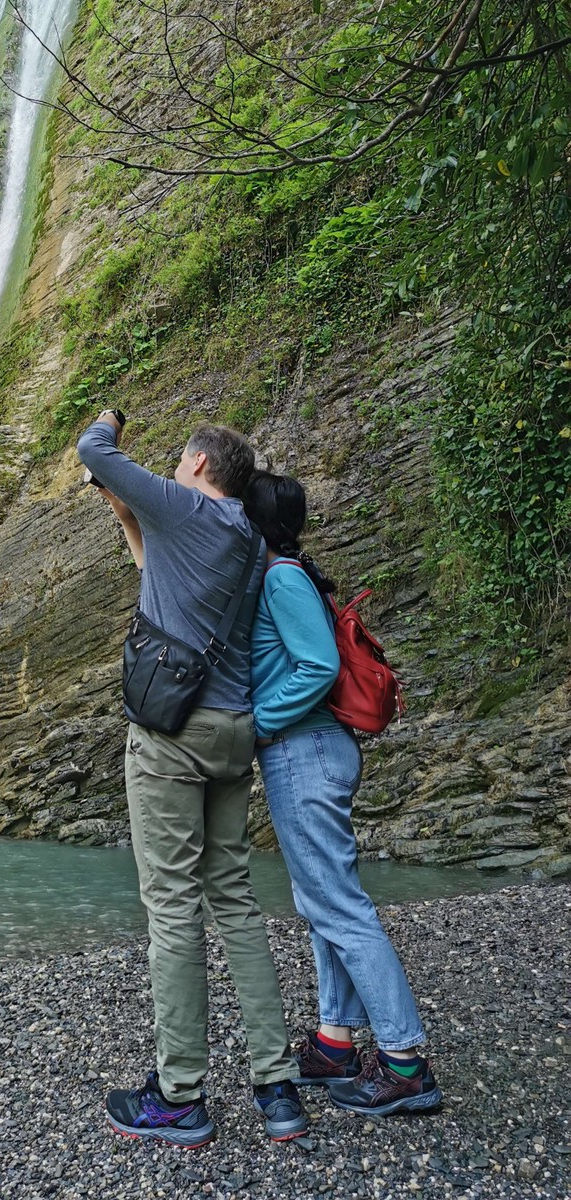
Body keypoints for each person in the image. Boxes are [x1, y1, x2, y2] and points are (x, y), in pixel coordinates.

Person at [76, 410, 309, 1148]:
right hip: (235, 731)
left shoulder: (185, 505)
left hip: (172, 735)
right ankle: (277, 1088)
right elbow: (154, 571)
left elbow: (94, 448)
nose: (174, 472)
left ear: (201, 464)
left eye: (180, 461)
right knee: (234, 901)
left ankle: (180, 1095)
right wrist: (120, 509)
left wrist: (111, 417)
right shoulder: (244, 537)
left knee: (172, 909)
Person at [242, 469, 442, 1116]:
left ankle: (406, 1061)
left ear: (253, 521)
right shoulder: (285, 572)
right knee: (323, 900)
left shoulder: (280, 577)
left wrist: (260, 726)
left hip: (306, 752)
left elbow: (320, 667)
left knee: (341, 907)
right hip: (313, 755)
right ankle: (334, 1043)